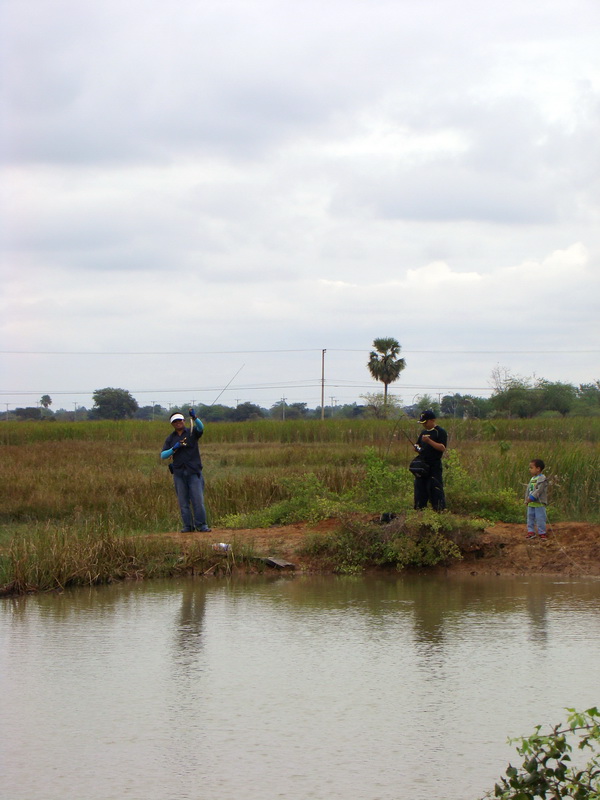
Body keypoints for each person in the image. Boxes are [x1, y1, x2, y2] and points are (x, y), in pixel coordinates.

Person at [161, 409, 211, 533]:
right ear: (172, 424)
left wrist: (195, 417)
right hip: (179, 473)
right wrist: (174, 448)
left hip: (194, 472)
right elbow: (163, 455)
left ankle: (202, 525)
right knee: (183, 502)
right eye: (175, 421)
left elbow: (201, 427)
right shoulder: (170, 438)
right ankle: (188, 526)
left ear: (184, 421)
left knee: (198, 501)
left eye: (180, 420)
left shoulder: (192, 432)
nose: (178, 423)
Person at [413, 409, 447, 511]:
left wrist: (429, 441)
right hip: (422, 466)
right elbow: (418, 444)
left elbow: (442, 448)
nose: (424, 425)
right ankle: (420, 510)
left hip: (434, 465)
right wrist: (416, 447)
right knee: (420, 489)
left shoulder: (440, 432)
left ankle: (439, 510)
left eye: (425, 422)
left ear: (432, 420)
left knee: (435, 489)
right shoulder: (423, 432)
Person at [525, 459, 548, 540]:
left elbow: (539, 490)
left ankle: (542, 533)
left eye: (531, 468)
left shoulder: (542, 478)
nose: (530, 469)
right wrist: (526, 500)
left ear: (538, 469)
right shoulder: (532, 479)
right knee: (530, 518)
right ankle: (531, 532)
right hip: (531, 504)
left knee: (540, 518)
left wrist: (531, 498)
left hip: (539, 503)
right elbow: (528, 490)